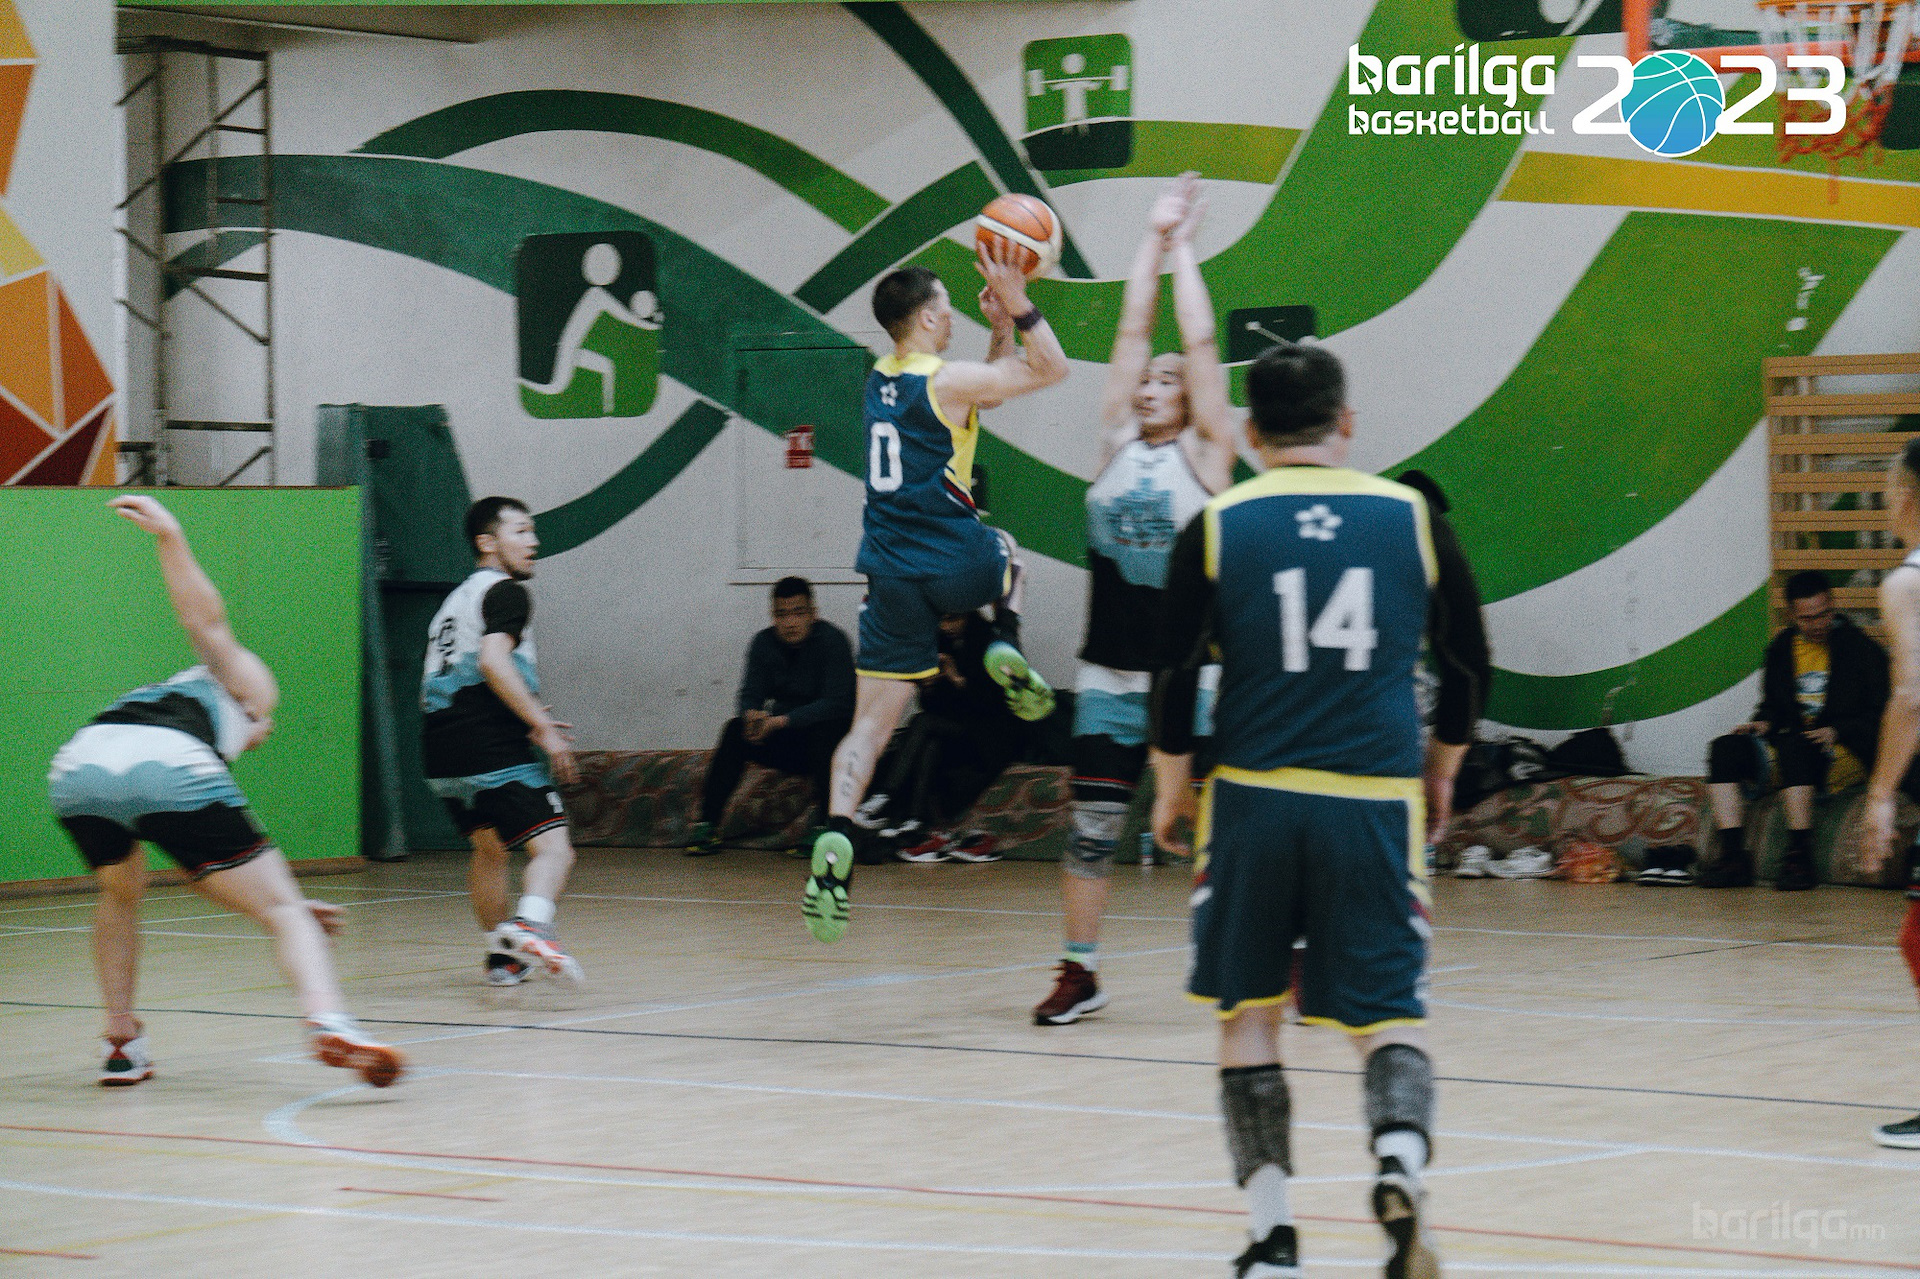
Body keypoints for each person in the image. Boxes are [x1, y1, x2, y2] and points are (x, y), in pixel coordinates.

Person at [1149, 342, 1489, 1277]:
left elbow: (1172, 673)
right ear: (1346, 422)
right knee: (1388, 1016)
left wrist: (1172, 787)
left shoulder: (1216, 524)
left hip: (1252, 799)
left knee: (1247, 1015)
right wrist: (1442, 771)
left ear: (1249, 432)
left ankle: (1272, 1238)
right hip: (1373, 798)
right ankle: (1399, 1161)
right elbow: (1469, 664)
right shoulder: (1413, 516)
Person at [48, 496, 403, 1088]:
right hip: (168, 763)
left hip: (78, 768)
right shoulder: (244, 685)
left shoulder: (160, 696)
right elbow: (204, 623)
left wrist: (255, 893)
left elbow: (193, 860)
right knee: (285, 911)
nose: (264, 733)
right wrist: (171, 537)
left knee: (120, 893)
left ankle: (122, 1043)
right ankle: (328, 1021)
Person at [803, 238, 1070, 943]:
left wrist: (996, 331)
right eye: (947, 307)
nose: (954, 315)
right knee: (1009, 553)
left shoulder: (880, 378)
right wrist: (1019, 305)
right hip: (954, 560)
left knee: (869, 728)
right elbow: (1051, 369)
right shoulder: (946, 380)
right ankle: (1003, 642)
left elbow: (984, 388)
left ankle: (836, 832)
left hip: (888, 572)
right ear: (924, 317)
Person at [1036, 174, 1238, 1027]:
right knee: (1091, 828)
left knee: (1229, 830)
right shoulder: (1115, 440)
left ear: (1190, 398)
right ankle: (1080, 971)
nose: (1151, 384)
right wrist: (1150, 241)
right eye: (1145, 380)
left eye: (1166, 380)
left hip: (1194, 678)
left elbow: (1199, 341)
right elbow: (1130, 328)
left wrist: (1185, 249)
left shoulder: (1210, 454)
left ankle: (1274, 959)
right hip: (1111, 673)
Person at [422, 497, 584, 985]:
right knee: (555, 850)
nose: (534, 542)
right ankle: (532, 925)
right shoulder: (506, 592)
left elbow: (460, 676)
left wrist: (523, 714)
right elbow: (493, 662)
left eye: (533, 532)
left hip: (441, 752)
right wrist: (545, 731)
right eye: (521, 532)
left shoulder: (453, 603)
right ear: (487, 543)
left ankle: (503, 959)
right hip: (489, 747)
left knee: (490, 850)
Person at [1701, 569, 1888, 890]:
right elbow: (1773, 706)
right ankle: (1733, 857)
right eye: (1807, 618)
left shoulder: (1862, 650)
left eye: (1823, 614)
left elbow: (1880, 714)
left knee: (1796, 747)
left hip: (1843, 747)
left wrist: (1836, 730)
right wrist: (1762, 723)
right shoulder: (1782, 648)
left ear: (1832, 605)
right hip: (1792, 746)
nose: (1817, 624)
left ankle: (1800, 856)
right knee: (1724, 749)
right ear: (1792, 615)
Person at [688, 576, 853, 855]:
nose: (790, 623)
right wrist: (751, 716)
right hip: (788, 738)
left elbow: (836, 703)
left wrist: (779, 721)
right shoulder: (763, 643)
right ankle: (708, 825)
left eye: (798, 613)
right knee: (734, 730)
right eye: (781, 615)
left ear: (813, 614)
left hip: (828, 741)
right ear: (773, 616)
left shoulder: (833, 641)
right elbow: (750, 692)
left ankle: (826, 828)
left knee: (828, 730)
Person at [1856, 437, 1920, 1151]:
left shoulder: (1907, 582)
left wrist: (1879, 794)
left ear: (1904, 497)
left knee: (1919, 938)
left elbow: (1910, 694)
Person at [857, 610, 1027, 862]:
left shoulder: (990, 642)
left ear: (968, 614)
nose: (946, 627)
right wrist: (928, 687)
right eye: (941, 620)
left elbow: (993, 706)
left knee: (922, 723)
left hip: (990, 734)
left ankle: (886, 795)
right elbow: (936, 708)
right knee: (930, 742)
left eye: (953, 619)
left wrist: (957, 678)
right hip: (954, 730)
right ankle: (914, 819)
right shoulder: (938, 642)